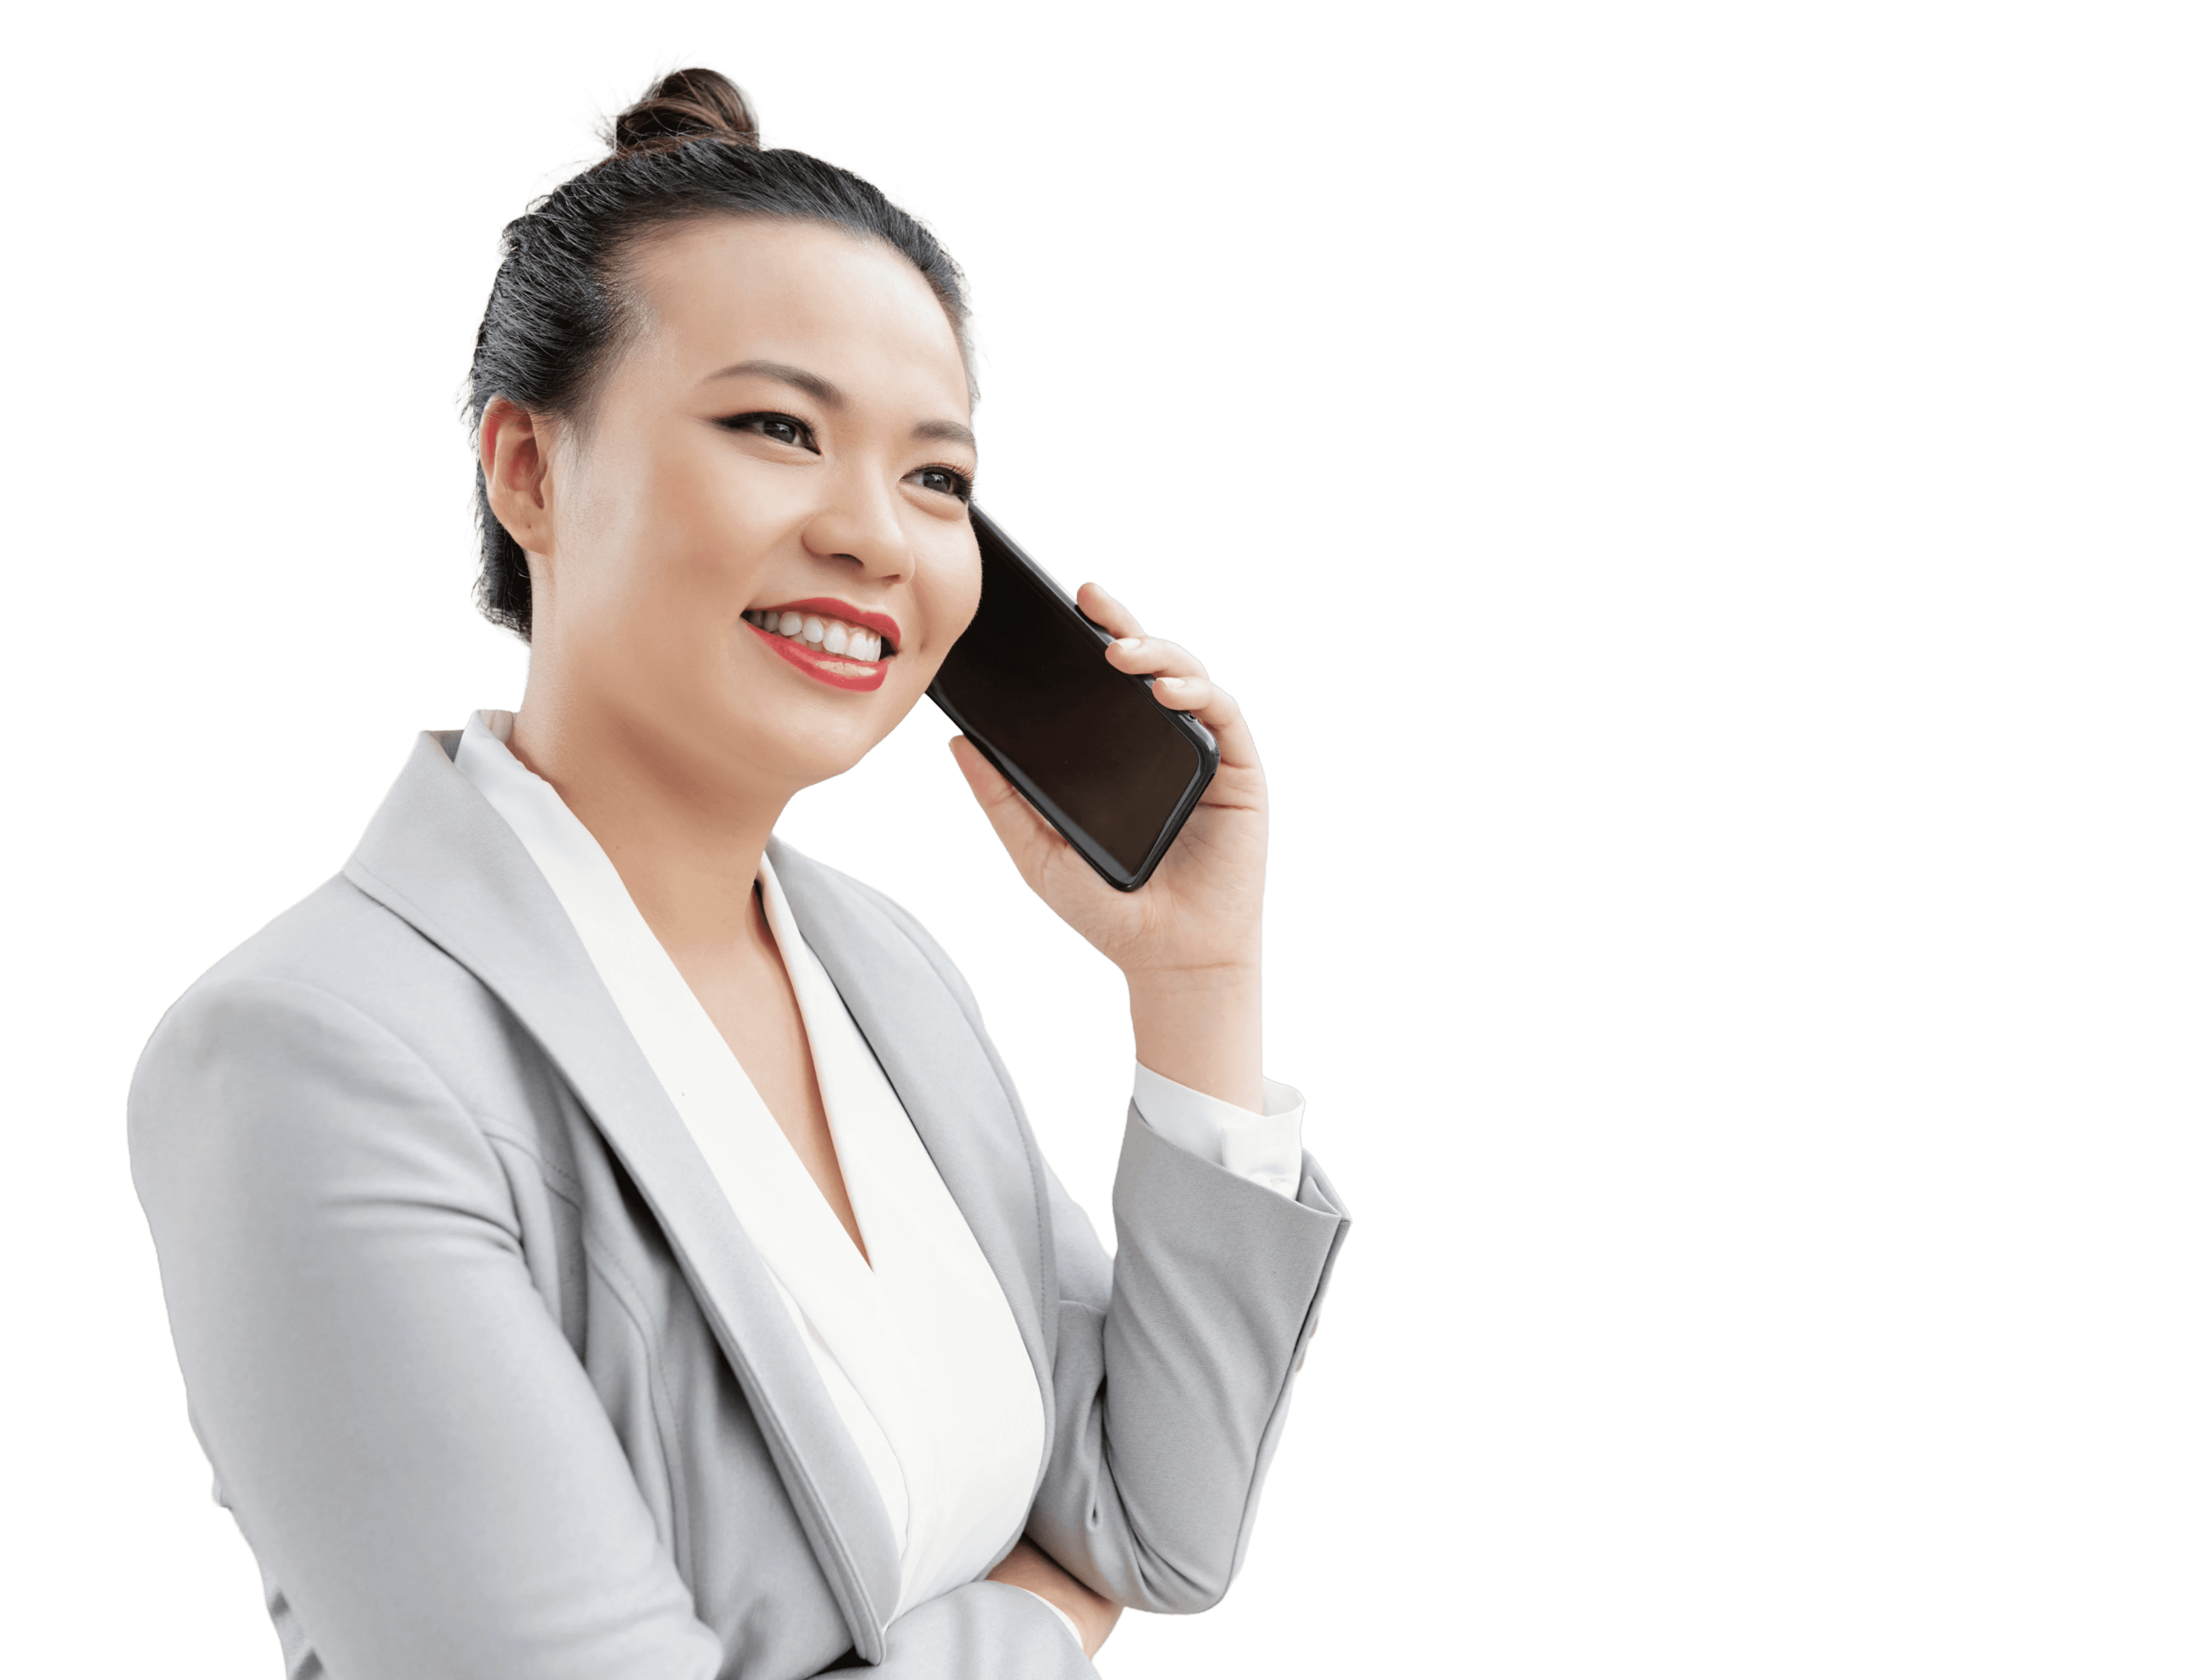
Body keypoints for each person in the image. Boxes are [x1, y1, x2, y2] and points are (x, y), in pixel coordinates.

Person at [127, 56, 1351, 1679]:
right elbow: (1085, 1587)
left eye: (938, 478)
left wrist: (1195, 980)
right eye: (777, 427)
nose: (875, 535)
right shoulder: (308, 1055)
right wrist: (1037, 1625)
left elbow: (1157, 1529)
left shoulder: (882, 965)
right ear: (527, 469)